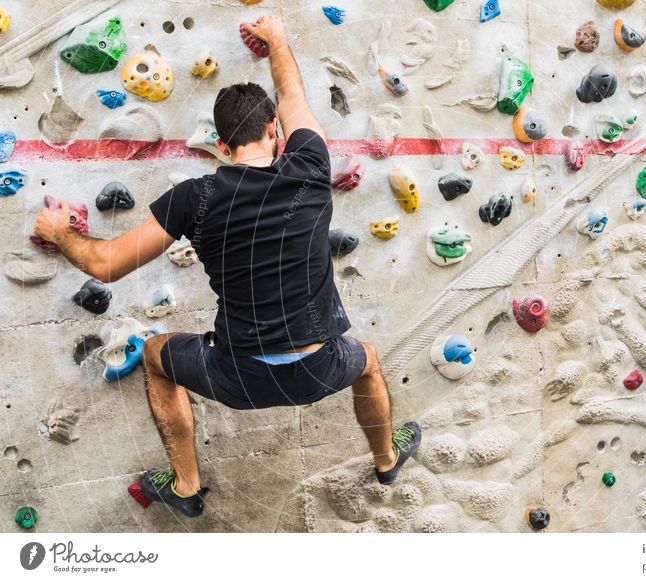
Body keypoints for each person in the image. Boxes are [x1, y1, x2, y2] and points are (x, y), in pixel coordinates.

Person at [33, 15, 421, 518]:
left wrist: (60, 232)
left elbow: (105, 265)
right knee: (365, 360)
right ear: (273, 132)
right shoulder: (309, 165)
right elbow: (293, 95)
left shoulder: (195, 197)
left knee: (154, 354)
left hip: (239, 379)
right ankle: (387, 460)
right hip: (320, 368)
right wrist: (277, 41)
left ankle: (187, 486)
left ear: (219, 143)